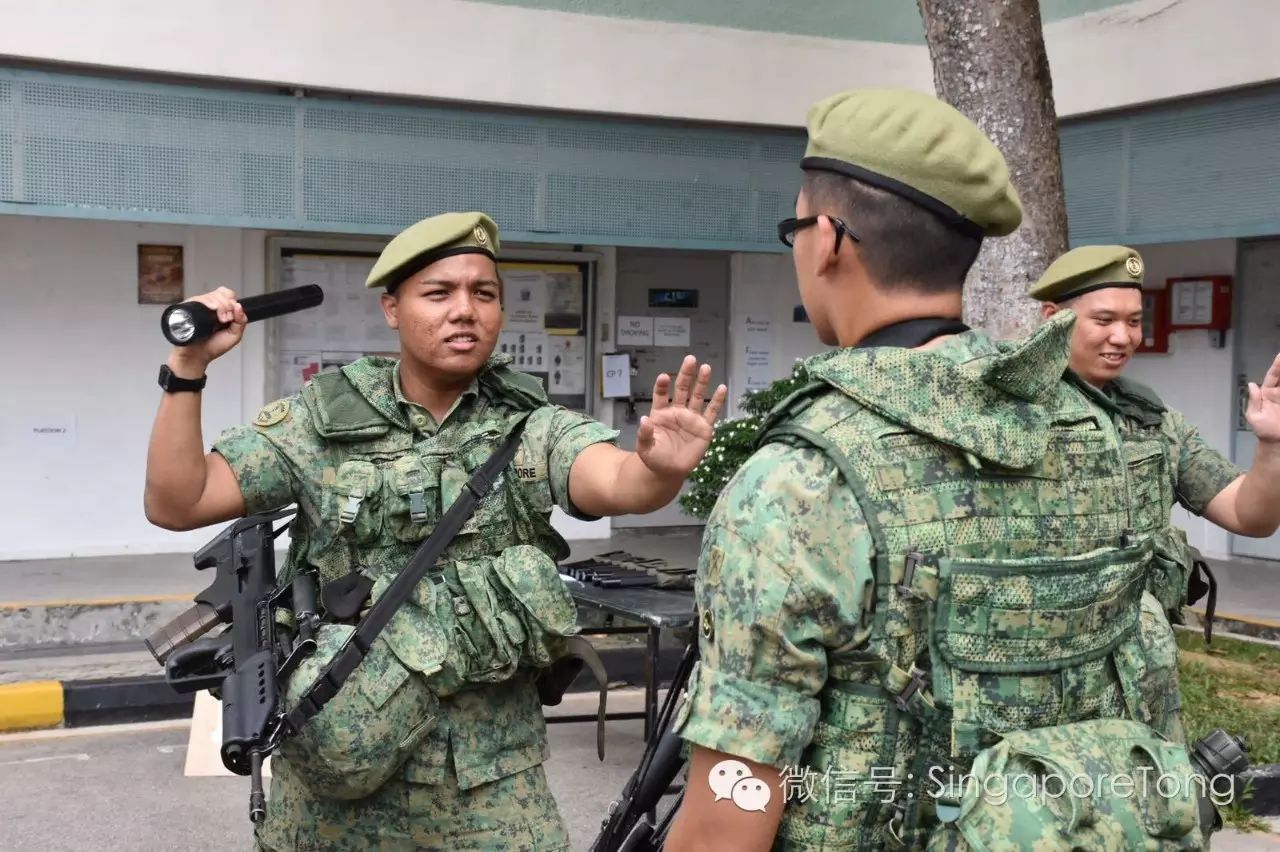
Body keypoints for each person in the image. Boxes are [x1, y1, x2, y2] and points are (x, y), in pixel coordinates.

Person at [664, 89, 1215, 851]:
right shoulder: (1095, 432)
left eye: (796, 228)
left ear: (828, 240)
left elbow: (727, 820)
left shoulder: (799, 482)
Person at [143, 211, 727, 851]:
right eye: (439, 293)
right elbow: (179, 500)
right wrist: (188, 368)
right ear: (392, 309)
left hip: (488, 782)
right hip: (338, 775)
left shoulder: (530, 426)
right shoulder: (320, 422)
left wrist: (656, 470)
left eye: (484, 294)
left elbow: (615, 479)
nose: (465, 311)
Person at [1030, 245, 1280, 741]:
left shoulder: (1155, 423)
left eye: (1134, 321)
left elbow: (1250, 516)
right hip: (1032, 686)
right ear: (1052, 319)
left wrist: (1271, 446)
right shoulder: (1003, 420)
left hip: (1141, 684)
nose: (1121, 337)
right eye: (1102, 320)